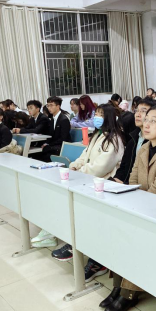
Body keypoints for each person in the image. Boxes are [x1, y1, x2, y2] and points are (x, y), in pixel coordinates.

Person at [101, 106, 156, 311]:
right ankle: (118, 285)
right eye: (146, 120)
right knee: (118, 230)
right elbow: (133, 181)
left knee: (134, 235)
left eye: (153, 121)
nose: (146, 124)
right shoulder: (144, 148)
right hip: (142, 206)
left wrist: (136, 203)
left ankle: (129, 292)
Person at [52, 104, 124, 264]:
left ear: (109, 118)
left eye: (101, 115)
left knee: (89, 218)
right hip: (88, 180)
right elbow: (84, 155)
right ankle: (75, 244)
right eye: (96, 114)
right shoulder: (97, 135)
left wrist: (81, 171)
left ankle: (86, 252)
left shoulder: (114, 139)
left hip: (102, 183)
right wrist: (74, 166)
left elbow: (101, 167)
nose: (97, 118)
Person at [113, 100, 156, 184]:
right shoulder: (133, 139)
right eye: (136, 111)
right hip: (126, 185)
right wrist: (115, 180)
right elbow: (123, 167)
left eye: (143, 111)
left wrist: (126, 185)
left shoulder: (153, 142)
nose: (137, 114)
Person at [32, 97, 72, 163]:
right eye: (48, 105)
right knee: (36, 153)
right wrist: (46, 143)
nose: (49, 108)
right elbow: (51, 134)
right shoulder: (52, 119)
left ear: (58, 106)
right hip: (55, 145)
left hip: (62, 145)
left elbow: (63, 138)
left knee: (43, 154)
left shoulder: (64, 119)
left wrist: (49, 144)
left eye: (51, 105)